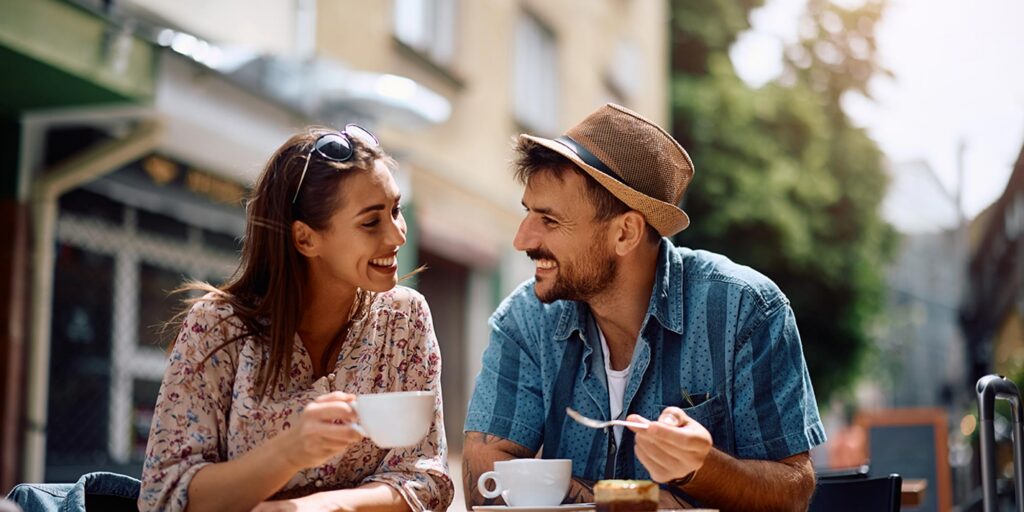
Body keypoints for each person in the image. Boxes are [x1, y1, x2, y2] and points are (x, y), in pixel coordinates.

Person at [463, 104, 825, 510]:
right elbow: (486, 479)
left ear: (625, 233)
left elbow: (794, 490)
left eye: (549, 220)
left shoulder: (746, 309)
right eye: (527, 212)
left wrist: (703, 468)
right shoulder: (525, 321)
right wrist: (645, 501)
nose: (522, 239)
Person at [139, 126, 453, 512]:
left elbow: (426, 479)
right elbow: (165, 496)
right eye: (371, 222)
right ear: (305, 239)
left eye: (396, 210)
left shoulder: (406, 317)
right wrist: (288, 452)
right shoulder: (216, 326)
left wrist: (324, 507)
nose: (397, 235)